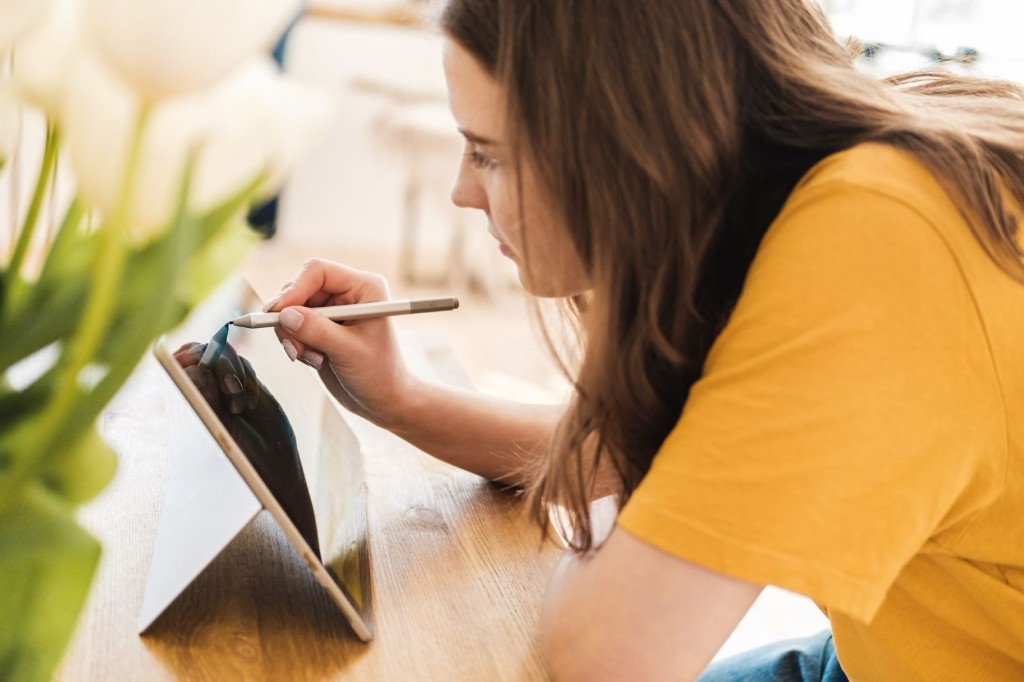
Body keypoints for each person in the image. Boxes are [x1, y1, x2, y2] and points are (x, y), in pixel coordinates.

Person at [181, 0, 1024, 679]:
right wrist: (403, 400)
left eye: (488, 153)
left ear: (623, 145)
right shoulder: (868, 164)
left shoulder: (876, 245)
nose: (461, 193)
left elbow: (610, 652)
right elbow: (658, 465)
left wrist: (631, 326)